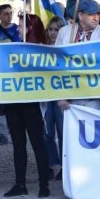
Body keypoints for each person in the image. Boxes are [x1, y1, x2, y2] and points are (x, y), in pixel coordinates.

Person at [3, 14, 51, 198]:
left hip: (31, 104)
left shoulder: (39, 50)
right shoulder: (13, 48)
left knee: (37, 143)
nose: (17, 29)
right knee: (18, 145)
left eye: (21, 26)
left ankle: (43, 184)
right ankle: (20, 184)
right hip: (13, 102)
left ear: (30, 28)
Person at [56, 0, 100, 112]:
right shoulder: (64, 32)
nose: (96, 18)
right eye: (92, 15)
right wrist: (60, 95)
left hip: (94, 97)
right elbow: (57, 64)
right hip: (70, 99)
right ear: (81, 15)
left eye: (98, 14)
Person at [0, 4, 21, 146]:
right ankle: (2, 135)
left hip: (13, 73)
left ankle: (15, 133)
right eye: (5, 13)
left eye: (10, 13)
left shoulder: (18, 29)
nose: (9, 16)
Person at [42, 16, 66, 180]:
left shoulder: (66, 48)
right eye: (50, 29)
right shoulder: (41, 49)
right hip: (46, 96)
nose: (53, 33)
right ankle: (49, 165)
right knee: (47, 132)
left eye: (56, 29)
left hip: (62, 96)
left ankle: (65, 166)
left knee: (64, 132)